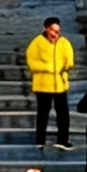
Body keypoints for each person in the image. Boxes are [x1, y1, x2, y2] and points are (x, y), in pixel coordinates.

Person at [26, 18, 75, 153]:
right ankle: (40, 141)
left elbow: (69, 58)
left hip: (60, 84)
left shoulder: (64, 43)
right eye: (53, 30)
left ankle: (63, 140)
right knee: (43, 114)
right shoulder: (37, 43)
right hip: (43, 85)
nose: (56, 34)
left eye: (58, 31)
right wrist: (48, 68)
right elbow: (32, 62)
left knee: (63, 114)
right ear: (47, 28)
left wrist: (67, 64)